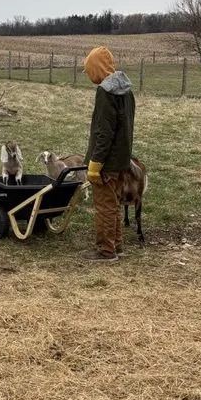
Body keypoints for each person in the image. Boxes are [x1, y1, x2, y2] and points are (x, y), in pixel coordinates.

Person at [83, 46, 136, 261]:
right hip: (122, 159)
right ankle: (117, 246)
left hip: (107, 163)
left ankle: (106, 251)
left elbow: (104, 132)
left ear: (97, 68)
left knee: (104, 206)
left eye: (89, 70)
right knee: (113, 204)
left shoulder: (105, 93)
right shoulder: (126, 90)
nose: (89, 76)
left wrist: (96, 163)